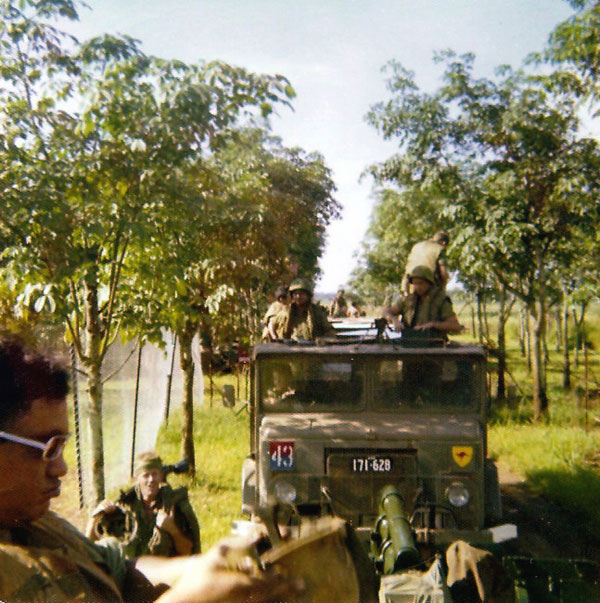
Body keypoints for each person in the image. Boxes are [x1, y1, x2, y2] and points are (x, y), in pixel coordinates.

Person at [0, 336, 297, 602]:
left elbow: (117, 569)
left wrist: (208, 564)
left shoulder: (33, 523)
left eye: (62, 447)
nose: (61, 468)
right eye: (47, 447)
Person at [87, 451, 201, 558]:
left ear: (161, 476)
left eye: (155, 474)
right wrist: (96, 517)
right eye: (146, 475)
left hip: (163, 573)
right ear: (136, 478)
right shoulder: (124, 507)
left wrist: (172, 529)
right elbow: (89, 545)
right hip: (129, 573)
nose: (151, 480)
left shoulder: (173, 506)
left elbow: (189, 553)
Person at [383, 265, 461, 337]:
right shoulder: (407, 300)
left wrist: (433, 325)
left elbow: (455, 326)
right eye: (415, 283)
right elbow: (386, 312)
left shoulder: (440, 301)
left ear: (429, 283)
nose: (418, 287)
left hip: (434, 345)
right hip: (408, 343)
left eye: (421, 283)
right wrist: (394, 320)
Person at [271, 278, 336, 340]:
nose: (298, 297)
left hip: (312, 348)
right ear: (292, 296)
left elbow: (330, 331)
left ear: (308, 295)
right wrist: (275, 338)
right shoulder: (285, 312)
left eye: (301, 294)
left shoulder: (317, 313)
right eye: (295, 294)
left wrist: (322, 339)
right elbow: (271, 326)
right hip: (289, 349)